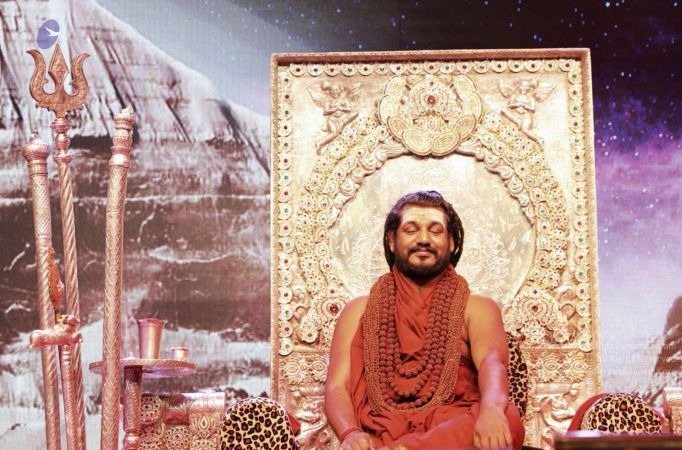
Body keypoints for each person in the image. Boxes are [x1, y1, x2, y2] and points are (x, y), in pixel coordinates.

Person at [325, 191, 524, 450]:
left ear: (451, 242)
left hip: (451, 437)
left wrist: (492, 410)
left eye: (435, 231)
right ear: (392, 241)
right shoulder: (358, 311)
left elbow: (492, 363)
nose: (423, 239)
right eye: (411, 230)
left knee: (509, 418)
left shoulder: (477, 308)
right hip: (380, 438)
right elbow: (336, 387)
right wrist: (350, 434)